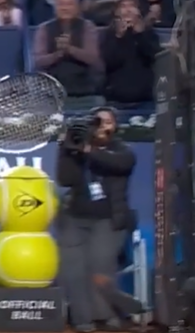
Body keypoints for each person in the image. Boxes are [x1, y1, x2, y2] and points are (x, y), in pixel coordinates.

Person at [56, 106, 136, 333]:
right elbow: (65, 179)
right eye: (97, 122)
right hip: (75, 217)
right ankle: (83, 320)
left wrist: (87, 150)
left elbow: (118, 165)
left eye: (107, 122)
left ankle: (106, 314)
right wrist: (66, 149)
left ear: (115, 127)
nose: (102, 127)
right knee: (74, 270)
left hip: (108, 220)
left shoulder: (123, 151)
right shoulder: (76, 149)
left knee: (100, 267)